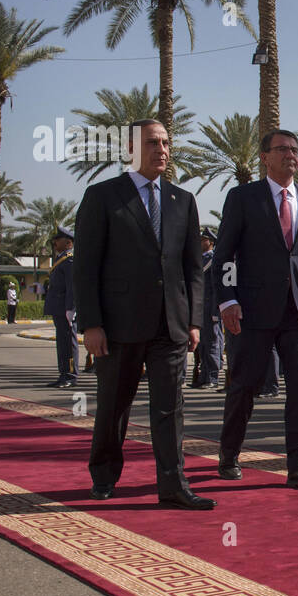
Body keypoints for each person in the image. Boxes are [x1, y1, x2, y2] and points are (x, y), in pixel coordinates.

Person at [73, 118, 212, 509]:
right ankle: (103, 476)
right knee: (115, 406)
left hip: (170, 325)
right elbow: (86, 266)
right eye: (153, 143)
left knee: (170, 408)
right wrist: (92, 324)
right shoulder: (102, 196)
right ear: (131, 149)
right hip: (118, 326)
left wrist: (194, 321)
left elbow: (192, 269)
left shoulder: (182, 200)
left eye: (166, 143)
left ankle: (172, 484)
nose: (162, 150)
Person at [215, 128, 298, 490]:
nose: (291, 155)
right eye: (282, 149)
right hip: (252, 310)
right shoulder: (243, 197)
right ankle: (229, 453)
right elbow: (225, 254)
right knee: (245, 385)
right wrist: (228, 299)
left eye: (295, 150)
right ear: (264, 157)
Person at [43, 228, 77, 388]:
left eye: (59, 239)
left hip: (65, 309)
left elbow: (72, 287)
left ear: (68, 242)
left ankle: (70, 375)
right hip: (59, 308)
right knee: (62, 342)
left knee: (68, 342)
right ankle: (63, 373)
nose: (55, 242)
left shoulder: (69, 259)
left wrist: (71, 309)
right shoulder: (61, 259)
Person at [193, 227, 223, 389]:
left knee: (212, 342)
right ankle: (204, 375)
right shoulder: (201, 259)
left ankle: (212, 376)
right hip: (201, 308)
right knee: (203, 344)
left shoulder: (213, 260)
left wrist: (215, 311)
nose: (199, 242)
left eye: (202, 239)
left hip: (210, 307)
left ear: (210, 242)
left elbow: (216, 287)